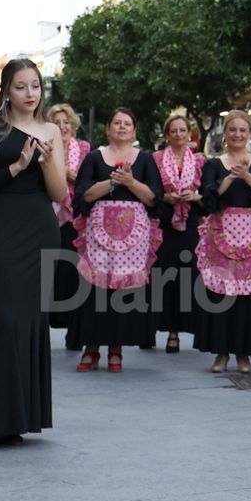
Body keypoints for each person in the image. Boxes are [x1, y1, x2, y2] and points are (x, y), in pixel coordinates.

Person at [0, 59, 65, 449]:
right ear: (7, 89)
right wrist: (17, 167)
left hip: (40, 230)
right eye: (21, 86)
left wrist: (49, 159)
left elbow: (58, 194)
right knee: (4, 319)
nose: (30, 93)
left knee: (30, 322)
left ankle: (19, 418)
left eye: (35, 85)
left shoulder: (52, 129)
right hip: (0, 231)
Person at [71, 108, 164, 372]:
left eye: (127, 124)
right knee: (94, 289)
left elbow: (155, 198)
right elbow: (83, 195)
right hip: (98, 233)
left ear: (134, 130)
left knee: (123, 292)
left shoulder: (144, 159)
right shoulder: (94, 157)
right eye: (116, 123)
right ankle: (91, 347)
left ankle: (115, 348)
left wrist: (131, 183)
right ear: (108, 128)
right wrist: (112, 182)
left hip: (134, 236)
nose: (122, 127)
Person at [195, 112, 251, 374]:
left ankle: (244, 354)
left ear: (249, 132)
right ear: (225, 133)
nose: (237, 135)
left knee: (247, 295)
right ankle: (221, 353)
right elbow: (208, 198)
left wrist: (248, 177)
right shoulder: (214, 163)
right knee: (221, 292)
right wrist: (230, 177)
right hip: (221, 233)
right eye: (233, 130)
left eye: (242, 130)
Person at [152, 114, 203, 355]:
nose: (178, 134)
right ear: (167, 134)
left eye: (183, 130)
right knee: (162, 275)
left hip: (190, 223)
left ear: (189, 133)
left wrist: (197, 197)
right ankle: (155, 328)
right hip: (164, 223)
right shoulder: (156, 159)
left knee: (187, 276)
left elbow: (209, 194)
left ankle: (177, 331)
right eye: (174, 130)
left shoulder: (201, 162)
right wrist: (165, 197)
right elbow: (150, 191)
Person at [46, 103, 89, 337]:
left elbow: (86, 181)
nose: (62, 127)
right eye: (57, 123)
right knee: (48, 267)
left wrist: (69, 175)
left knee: (73, 270)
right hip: (48, 214)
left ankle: (74, 330)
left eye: (67, 123)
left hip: (75, 217)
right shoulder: (43, 148)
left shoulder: (84, 149)